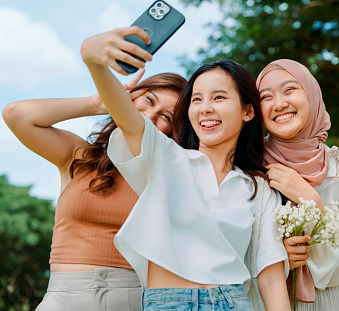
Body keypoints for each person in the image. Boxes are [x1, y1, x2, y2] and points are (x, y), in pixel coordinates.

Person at [80, 27, 291, 311]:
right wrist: (93, 61)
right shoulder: (167, 158)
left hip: (233, 302)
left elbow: (272, 279)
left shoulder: (259, 188)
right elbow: (129, 119)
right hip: (168, 303)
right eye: (196, 99)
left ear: (248, 111)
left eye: (218, 98)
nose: (205, 108)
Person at [3, 65, 186, 310]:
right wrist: (98, 102)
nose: (149, 115)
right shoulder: (79, 156)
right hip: (62, 299)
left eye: (166, 117)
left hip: (134, 300)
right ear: (131, 95)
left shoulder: (167, 176)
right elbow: (16, 114)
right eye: (148, 100)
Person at [257, 59, 339, 310]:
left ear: (312, 94)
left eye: (289, 90)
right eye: (266, 97)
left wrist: (311, 201)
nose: (279, 104)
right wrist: (276, 256)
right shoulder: (249, 166)